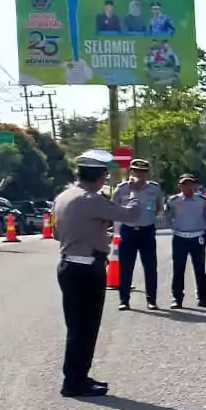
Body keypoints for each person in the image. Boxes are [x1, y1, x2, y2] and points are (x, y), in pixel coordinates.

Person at [52, 150, 142, 396]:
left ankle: (77, 377)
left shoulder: (63, 197)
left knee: (76, 326)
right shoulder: (91, 199)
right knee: (87, 327)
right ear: (101, 176)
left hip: (68, 264)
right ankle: (75, 382)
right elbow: (131, 215)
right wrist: (134, 192)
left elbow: (56, 234)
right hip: (87, 268)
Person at [111, 159, 166, 311]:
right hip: (128, 230)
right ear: (131, 172)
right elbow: (112, 208)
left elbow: (158, 208)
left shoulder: (153, 189)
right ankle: (124, 300)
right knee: (126, 267)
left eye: (143, 172)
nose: (140, 175)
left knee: (150, 267)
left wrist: (146, 218)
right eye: (136, 171)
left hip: (146, 230)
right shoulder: (122, 188)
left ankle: (152, 300)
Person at [168, 174, 206, 309]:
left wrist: (201, 227)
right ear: (180, 186)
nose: (187, 187)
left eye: (190, 184)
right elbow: (168, 216)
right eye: (184, 184)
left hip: (197, 237)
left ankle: (203, 298)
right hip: (179, 237)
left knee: (200, 269)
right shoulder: (173, 201)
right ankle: (177, 298)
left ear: (194, 186)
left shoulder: (202, 200)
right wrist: (175, 227)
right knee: (178, 269)